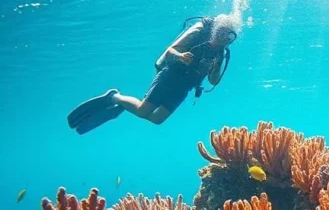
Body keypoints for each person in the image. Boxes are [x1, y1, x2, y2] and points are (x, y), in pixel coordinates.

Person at [67, 14, 239, 135]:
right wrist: (181, 56)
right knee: (143, 111)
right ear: (215, 30)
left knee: (157, 119)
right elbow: (170, 51)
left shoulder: (221, 53)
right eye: (221, 34)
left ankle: (126, 106)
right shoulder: (197, 34)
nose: (223, 40)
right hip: (170, 76)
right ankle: (114, 98)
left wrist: (215, 67)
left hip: (185, 87)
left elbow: (213, 81)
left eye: (229, 38)